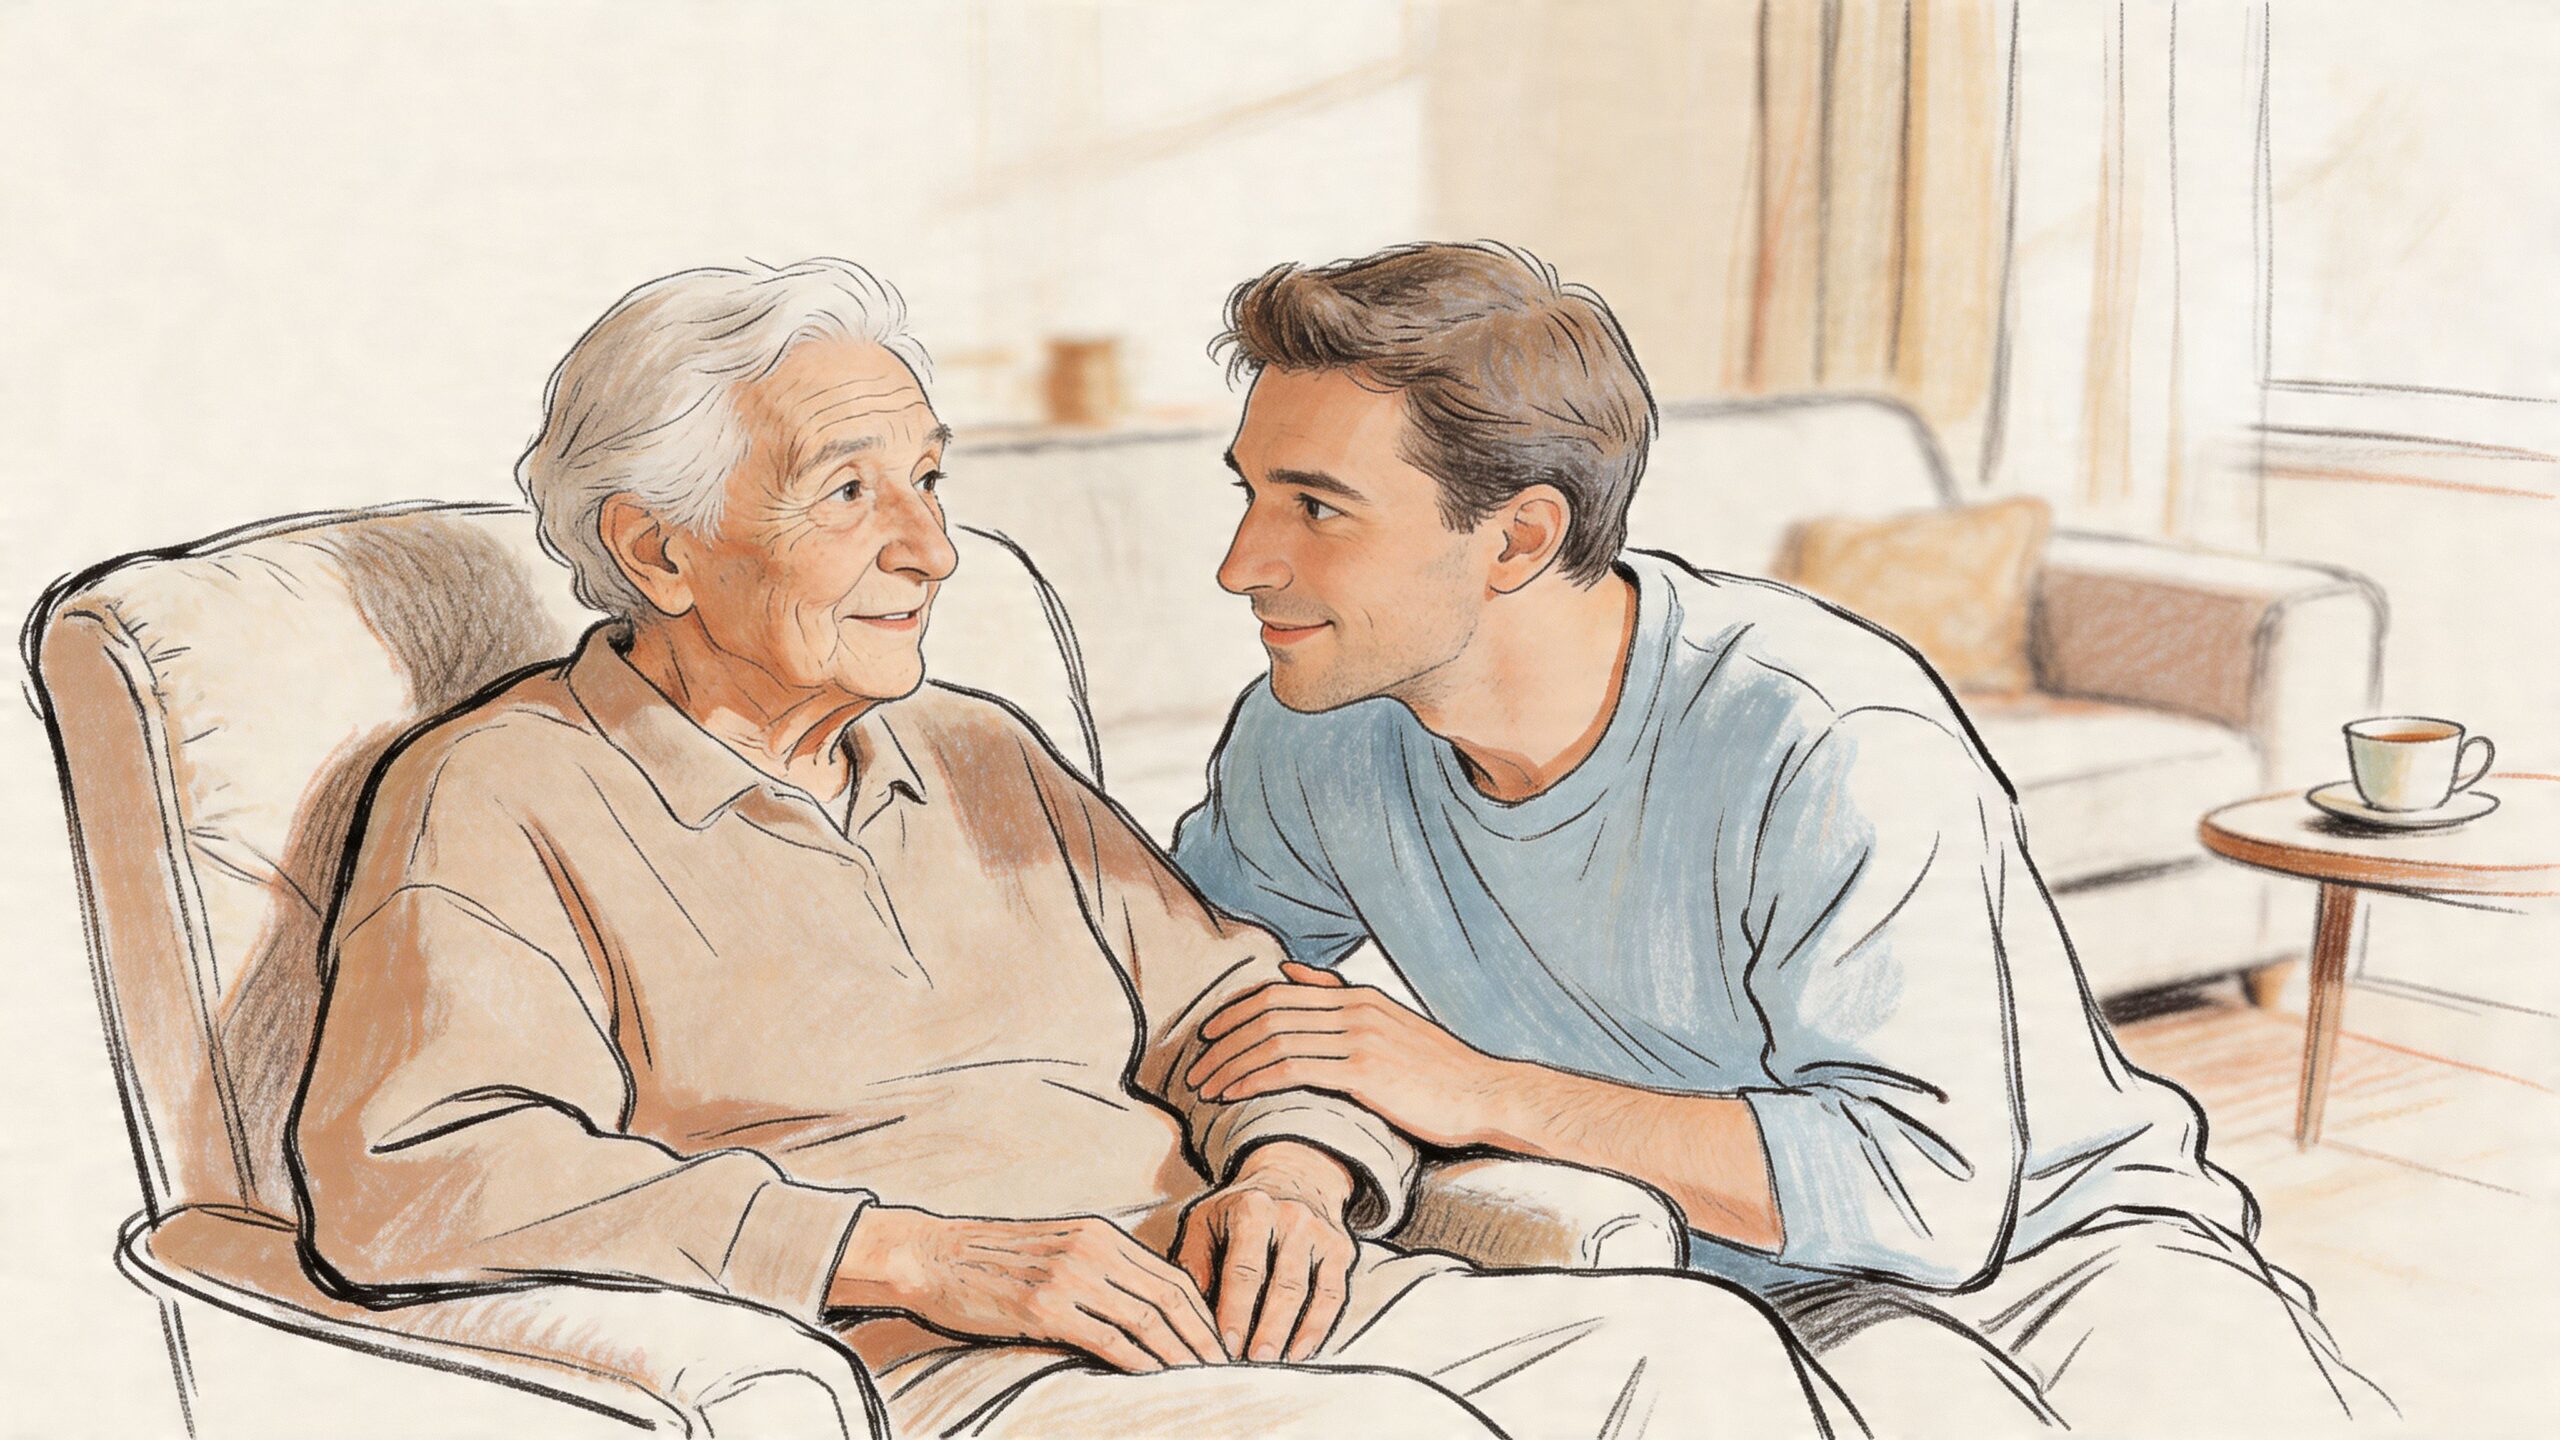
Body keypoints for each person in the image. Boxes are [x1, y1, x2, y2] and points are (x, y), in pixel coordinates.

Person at [290, 257, 1834, 1440]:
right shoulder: (497, 794)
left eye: (932, 480)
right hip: (965, 1374)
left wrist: (1292, 1177)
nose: (932, 546)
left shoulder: (978, 751)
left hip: (1240, 1305)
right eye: (850, 494)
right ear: (656, 548)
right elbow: (418, 1174)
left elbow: (1247, 1014)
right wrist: (909, 1257)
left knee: (1689, 1354)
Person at [1167, 241, 2389, 1434]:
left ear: (1519, 538)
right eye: (1251, 494)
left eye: (1317, 508)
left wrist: (1476, 1088)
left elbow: (1924, 1195)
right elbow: (1209, 1002)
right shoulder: (1311, 733)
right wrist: (1292, 1171)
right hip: (1709, 1284)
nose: (1241, 566)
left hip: (2061, 1264)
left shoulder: (1821, 734)